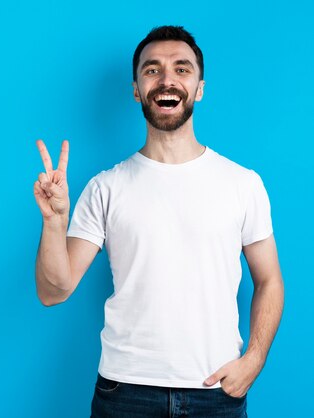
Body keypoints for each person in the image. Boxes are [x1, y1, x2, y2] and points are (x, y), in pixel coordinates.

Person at [33, 26, 284, 418]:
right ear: (136, 89)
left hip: (215, 392)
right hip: (125, 393)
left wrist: (254, 359)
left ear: (199, 87)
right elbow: (54, 291)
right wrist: (54, 221)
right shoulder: (106, 187)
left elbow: (269, 280)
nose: (167, 79)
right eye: (152, 70)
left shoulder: (243, 184)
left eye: (182, 69)